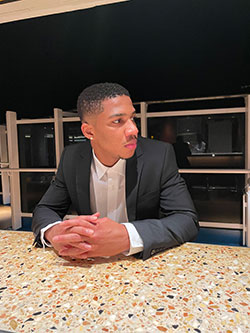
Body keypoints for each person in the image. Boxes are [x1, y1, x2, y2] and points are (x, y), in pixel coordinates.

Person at [32, 83, 198, 260]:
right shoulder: (72, 157)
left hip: (139, 264)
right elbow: (45, 208)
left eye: (132, 118)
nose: (133, 129)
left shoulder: (158, 156)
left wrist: (128, 237)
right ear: (89, 132)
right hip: (85, 265)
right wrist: (55, 232)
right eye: (118, 121)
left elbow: (186, 219)